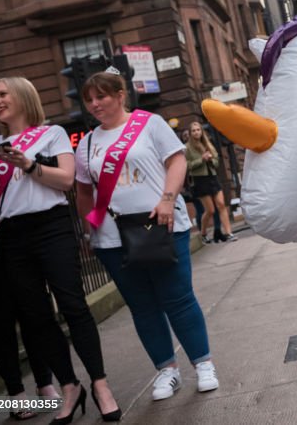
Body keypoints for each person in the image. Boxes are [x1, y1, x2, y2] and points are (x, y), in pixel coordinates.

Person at [0, 77, 120, 423]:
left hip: (51, 227)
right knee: (36, 316)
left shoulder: (51, 134)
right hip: (11, 235)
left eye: (2, 94)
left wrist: (28, 164)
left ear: (24, 96)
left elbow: (67, 181)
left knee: (73, 306)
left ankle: (100, 385)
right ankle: (70, 385)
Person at [74, 71, 220, 402]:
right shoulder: (87, 144)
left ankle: (203, 364)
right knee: (142, 306)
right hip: (113, 237)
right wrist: (89, 226)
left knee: (178, 298)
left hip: (162, 224)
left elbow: (177, 161)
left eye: (102, 96)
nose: (95, 104)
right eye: (89, 99)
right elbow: (84, 191)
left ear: (120, 94)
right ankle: (167, 370)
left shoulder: (149, 124)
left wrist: (168, 199)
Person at [0, 94, 58, 420]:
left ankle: (44, 384)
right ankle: (15, 394)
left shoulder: (6, 145)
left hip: (11, 238)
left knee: (31, 310)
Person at [184, 121, 236, 243]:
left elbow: (217, 161)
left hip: (212, 177)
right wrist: (201, 159)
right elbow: (186, 166)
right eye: (194, 130)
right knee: (210, 210)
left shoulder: (208, 144)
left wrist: (211, 160)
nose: (196, 132)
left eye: (198, 130)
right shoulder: (187, 148)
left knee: (221, 204)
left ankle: (229, 233)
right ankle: (202, 233)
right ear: (190, 133)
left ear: (202, 131)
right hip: (200, 180)